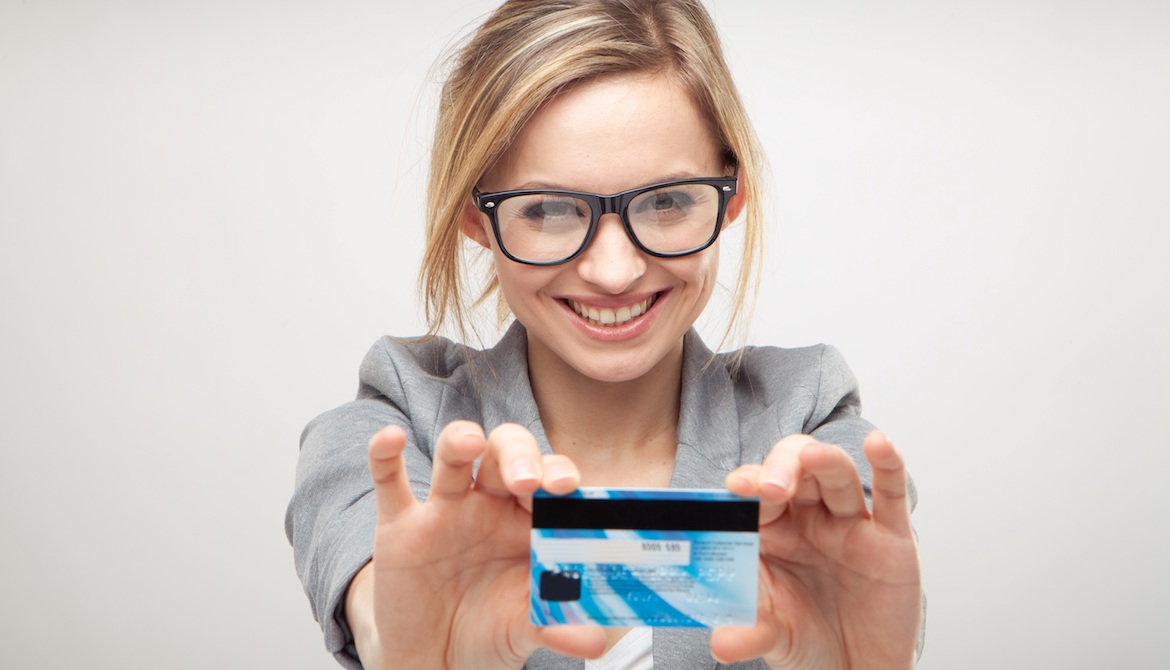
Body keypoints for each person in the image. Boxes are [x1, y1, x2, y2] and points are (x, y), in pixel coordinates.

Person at [286, 1, 924, 668]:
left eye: (668, 200)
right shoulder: (394, 424)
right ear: (476, 218)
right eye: (549, 209)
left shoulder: (811, 421)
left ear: (731, 197)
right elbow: (373, 575)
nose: (614, 272)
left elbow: (865, 576)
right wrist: (407, 650)